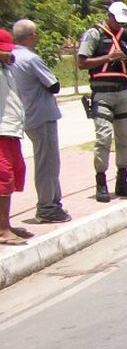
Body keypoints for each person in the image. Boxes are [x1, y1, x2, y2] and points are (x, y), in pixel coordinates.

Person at [76, 1, 127, 203]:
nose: (119, 25)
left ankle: (122, 181)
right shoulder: (94, 34)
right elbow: (81, 63)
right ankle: (101, 182)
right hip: (102, 93)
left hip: (123, 92)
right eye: (117, 20)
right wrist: (108, 57)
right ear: (109, 16)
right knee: (103, 138)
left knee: (123, 138)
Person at [10, 19, 70, 224]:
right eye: (36, 33)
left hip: (26, 113)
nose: (38, 37)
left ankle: (54, 202)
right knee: (48, 163)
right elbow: (54, 85)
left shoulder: (11, 57)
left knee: (47, 161)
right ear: (30, 36)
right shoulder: (30, 58)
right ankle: (47, 206)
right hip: (42, 114)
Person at [0, 28, 30, 245]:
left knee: (14, 174)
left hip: (11, 129)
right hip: (1, 131)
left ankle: (5, 224)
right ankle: (2, 230)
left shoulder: (7, 68)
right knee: (3, 178)